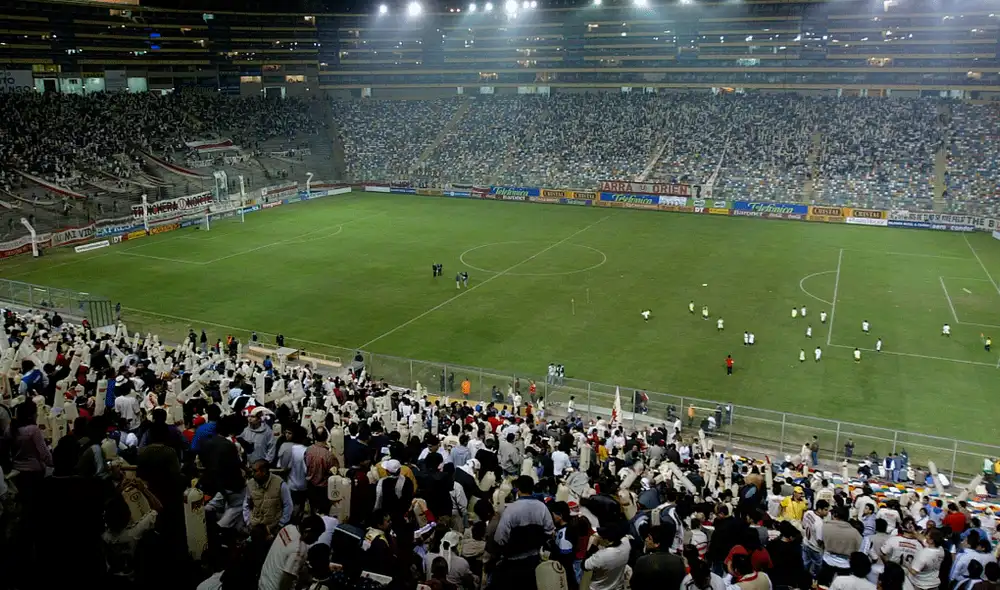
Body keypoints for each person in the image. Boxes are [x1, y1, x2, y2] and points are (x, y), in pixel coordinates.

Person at [491, 476, 555, 588]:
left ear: (518, 489)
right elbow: (550, 531)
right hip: (534, 560)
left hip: (514, 563)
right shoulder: (542, 507)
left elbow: (500, 538)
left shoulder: (511, 510)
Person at [258, 515, 325, 590]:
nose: (316, 540)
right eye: (316, 536)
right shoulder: (299, 550)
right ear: (307, 531)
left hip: (264, 581)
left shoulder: (288, 528)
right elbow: (285, 581)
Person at [243, 460, 293, 538]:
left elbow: (288, 505)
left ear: (264, 471)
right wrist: (248, 523)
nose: (252, 474)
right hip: (255, 527)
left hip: (272, 527)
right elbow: (246, 504)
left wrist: (281, 524)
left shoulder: (280, 484)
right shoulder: (250, 484)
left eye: (255, 471)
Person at [632, 524, 686, 590]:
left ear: (657, 544)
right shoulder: (679, 560)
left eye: (649, 538)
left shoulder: (643, 561)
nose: (646, 539)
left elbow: (634, 584)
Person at [583, 521, 632, 590]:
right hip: (618, 586)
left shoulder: (601, 556)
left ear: (606, 540)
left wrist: (593, 545)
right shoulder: (626, 544)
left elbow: (584, 566)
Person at [305, 427, 337, 516]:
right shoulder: (329, 455)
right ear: (326, 437)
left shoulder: (308, 450)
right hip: (323, 488)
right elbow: (333, 471)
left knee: (313, 511)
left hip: (311, 485)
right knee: (323, 514)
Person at [802, 499, 830, 577]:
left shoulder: (808, 513)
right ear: (819, 509)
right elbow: (819, 540)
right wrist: (825, 547)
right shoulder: (819, 523)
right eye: (825, 510)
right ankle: (814, 579)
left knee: (805, 563)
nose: (827, 512)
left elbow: (803, 526)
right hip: (815, 548)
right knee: (817, 566)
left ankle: (804, 578)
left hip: (805, 542)